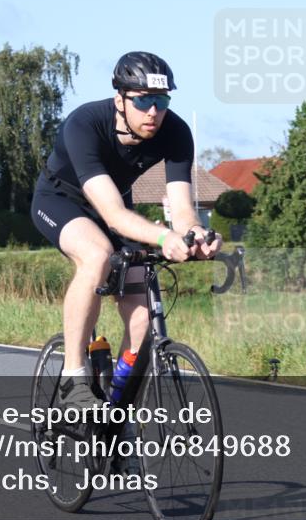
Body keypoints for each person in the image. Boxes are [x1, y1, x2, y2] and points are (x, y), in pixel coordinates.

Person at [30, 51, 222, 414]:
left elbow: (181, 209)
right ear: (120, 99)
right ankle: (74, 376)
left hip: (115, 206)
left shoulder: (176, 131)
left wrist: (196, 233)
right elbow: (114, 216)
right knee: (97, 255)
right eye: (143, 100)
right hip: (61, 201)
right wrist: (164, 238)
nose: (154, 111)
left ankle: (119, 413)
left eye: (161, 100)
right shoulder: (85, 123)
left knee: (142, 317)